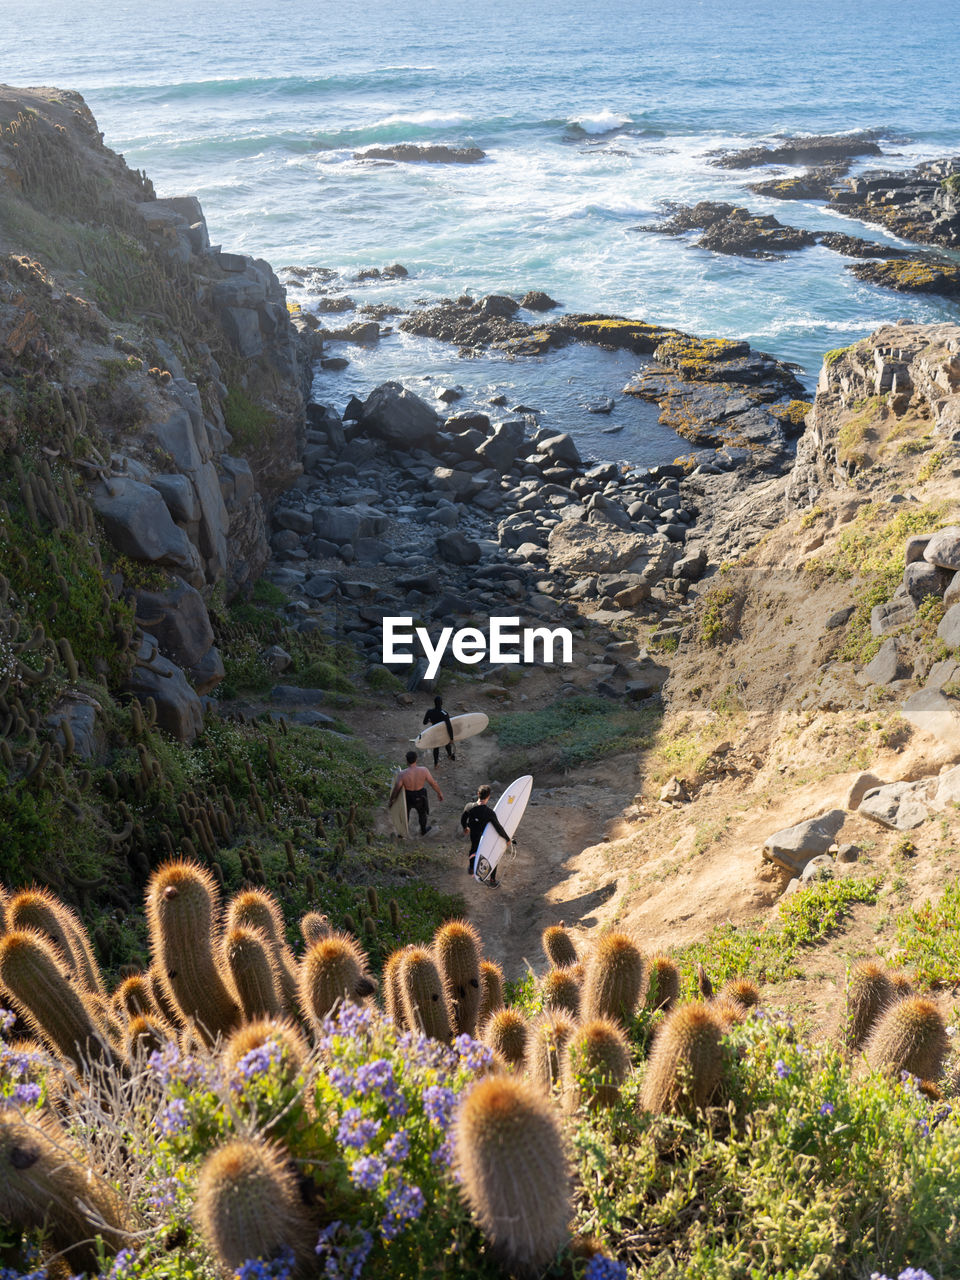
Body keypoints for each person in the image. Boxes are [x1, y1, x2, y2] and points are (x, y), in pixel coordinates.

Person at [460, 784, 511, 887]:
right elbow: (498, 828)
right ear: (488, 797)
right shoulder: (489, 813)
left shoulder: (469, 806)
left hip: (474, 835)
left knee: (473, 849)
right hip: (485, 838)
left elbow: (463, 819)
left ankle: (471, 868)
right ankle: (492, 880)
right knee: (491, 855)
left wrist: (465, 828)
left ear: (478, 794)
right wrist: (507, 838)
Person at [389, 750, 443, 836]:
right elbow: (433, 783)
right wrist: (439, 793)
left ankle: (402, 833)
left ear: (406, 760)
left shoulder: (402, 774)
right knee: (422, 813)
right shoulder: (424, 770)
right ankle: (423, 830)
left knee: (405, 814)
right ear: (416, 759)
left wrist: (391, 800)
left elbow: (396, 789)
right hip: (420, 795)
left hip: (408, 796)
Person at [422, 694, 455, 767]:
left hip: (435, 732)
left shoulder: (429, 711)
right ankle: (450, 755)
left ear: (434, 703)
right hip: (443, 732)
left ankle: (436, 764)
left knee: (436, 748)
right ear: (442, 703)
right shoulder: (445, 713)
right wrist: (451, 738)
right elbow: (449, 726)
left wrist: (430, 720)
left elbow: (424, 722)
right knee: (447, 744)